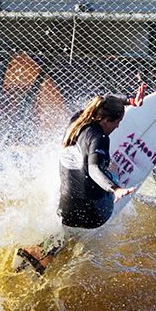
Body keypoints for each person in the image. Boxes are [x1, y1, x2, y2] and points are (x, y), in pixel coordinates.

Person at [15, 94, 136, 274]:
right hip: (93, 214)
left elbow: (105, 98)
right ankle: (50, 251)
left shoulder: (76, 120)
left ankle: (43, 252)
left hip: (65, 208)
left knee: (69, 221)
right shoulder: (100, 138)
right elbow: (95, 169)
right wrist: (115, 189)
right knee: (114, 169)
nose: (117, 126)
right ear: (106, 119)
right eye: (116, 122)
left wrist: (129, 101)